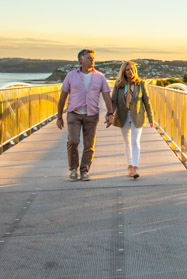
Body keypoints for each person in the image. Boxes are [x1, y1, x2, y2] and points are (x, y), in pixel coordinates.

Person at [56, 49, 113, 181]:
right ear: (81, 60)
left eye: (93, 58)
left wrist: (110, 114)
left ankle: (84, 170)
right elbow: (63, 97)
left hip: (91, 115)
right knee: (73, 141)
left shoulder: (100, 77)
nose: (92, 60)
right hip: (74, 113)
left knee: (89, 145)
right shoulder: (71, 75)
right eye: (89, 58)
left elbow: (107, 96)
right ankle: (73, 169)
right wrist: (59, 117)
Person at [110, 61, 154, 179]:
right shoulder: (119, 85)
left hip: (138, 115)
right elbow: (113, 101)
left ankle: (135, 166)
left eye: (133, 69)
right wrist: (110, 115)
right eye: (128, 69)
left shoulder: (141, 84)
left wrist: (151, 117)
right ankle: (129, 165)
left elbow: (147, 101)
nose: (131, 71)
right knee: (127, 141)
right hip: (123, 115)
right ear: (124, 71)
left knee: (135, 141)